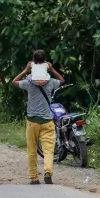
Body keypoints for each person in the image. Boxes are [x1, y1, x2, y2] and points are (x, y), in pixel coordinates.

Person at [13, 49, 65, 185]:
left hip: (32, 122)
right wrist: (52, 69)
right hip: (48, 121)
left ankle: (34, 178)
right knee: (48, 150)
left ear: (33, 64)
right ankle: (48, 171)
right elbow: (62, 80)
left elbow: (14, 82)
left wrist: (25, 70)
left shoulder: (28, 82)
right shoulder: (51, 82)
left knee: (32, 150)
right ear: (45, 63)